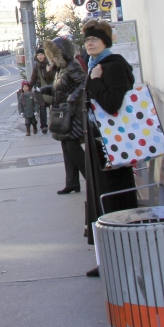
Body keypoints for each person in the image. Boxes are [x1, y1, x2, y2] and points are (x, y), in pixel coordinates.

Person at [81, 20, 138, 277]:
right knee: (102, 199)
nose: (89, 43)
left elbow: (112, 104)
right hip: (101, 145)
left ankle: (120, 259)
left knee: (113, 199)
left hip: (112, 148)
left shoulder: (111, 66)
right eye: (86, 39)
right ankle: (109, 258)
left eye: (94, 38)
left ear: (106, 42)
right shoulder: (96, 65)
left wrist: (94, 82)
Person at [46, 36, 88, 195]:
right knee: (66, 146)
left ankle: (90, 178)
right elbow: (61, 87)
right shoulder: (61, 68)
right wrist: (47, 89)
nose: (53, 57)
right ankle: (72, 182)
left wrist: (72, 97)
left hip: (73, 113)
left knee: (73, 146)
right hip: (64, 112)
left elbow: (83, 83)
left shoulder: (71, 66)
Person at [27, 45, 57, 134]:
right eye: (38, 55)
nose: (40, 57)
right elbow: (33, 78)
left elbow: (55, 77)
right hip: (41, 90)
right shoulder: (36, 66)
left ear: (45, 55)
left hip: (51, 89)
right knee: (42, 107)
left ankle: (55, 124)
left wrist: (50, 71)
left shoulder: (50, 64)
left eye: (41, 54)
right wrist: (28, 88)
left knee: (54, 107)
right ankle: (44, 126)